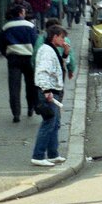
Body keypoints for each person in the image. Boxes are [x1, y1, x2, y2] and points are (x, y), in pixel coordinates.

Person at [31, 25, 69, 167]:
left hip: (53, 91)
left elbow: (58, 67)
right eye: (62, 37)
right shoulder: (47, 51)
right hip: (49, 92)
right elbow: (43, 71)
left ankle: (53, 154)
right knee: (49, 123)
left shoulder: (52, 50)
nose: (64, 40)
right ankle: (38, 155)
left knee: (55, 124)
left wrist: (65, 53)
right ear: (55, 37)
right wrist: (46, 90)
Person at [0, 4, 39, 123]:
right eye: (24, 12)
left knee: (14, 87)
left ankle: (16, 113)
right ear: (21, 13)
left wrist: (7, 55)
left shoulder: (6, 26)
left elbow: (1, 45)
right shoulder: (30, 25)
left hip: (13, 58)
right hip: (28, 58)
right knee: (31, 84)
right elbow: (36, 42)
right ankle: (31, 107)